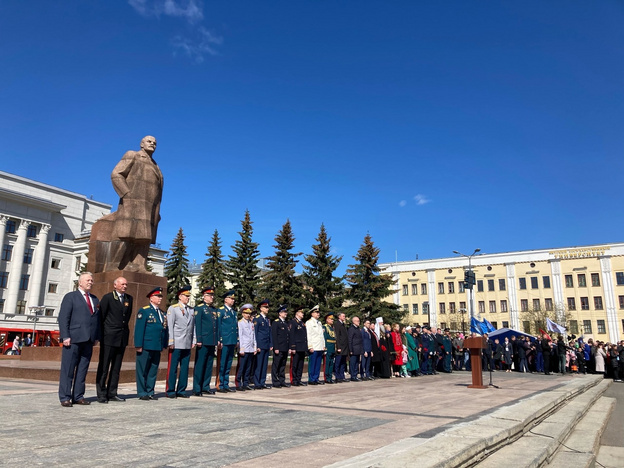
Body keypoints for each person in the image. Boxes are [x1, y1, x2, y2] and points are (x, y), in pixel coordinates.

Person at [106, 135, 164, 273]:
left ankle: (139, 266)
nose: (152, 144)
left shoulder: (156, 165)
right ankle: (114, 266)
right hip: (132, 203)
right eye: (149, 142)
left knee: (144, 238)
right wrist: (126, 194)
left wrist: (156, 210)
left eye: (155, 143)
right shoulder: (133, 155)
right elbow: (116, 174)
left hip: (150, 207)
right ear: (142, 144)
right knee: (126, 234)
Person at [58, 272, 100, 407]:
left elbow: (96, 320)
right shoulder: (71, 297)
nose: (91, 282)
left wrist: (96, 337)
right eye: (88, 280)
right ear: (80, 282)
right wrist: (65, 336)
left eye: (92, 280)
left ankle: (78, 396)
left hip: (88, 340)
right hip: (73, 339)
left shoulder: (94, 299)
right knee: (68, 369)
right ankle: (65, 396)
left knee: (82, 369)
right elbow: (63, 317)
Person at [96, 276, 133, 403]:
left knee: (116, 368)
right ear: (115, 285)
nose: (125, 286)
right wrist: (100, 335)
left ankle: (112, 392)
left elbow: (126, 317)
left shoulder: (129, 298)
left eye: (126, 284)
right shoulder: (108, 298)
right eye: (122, 284)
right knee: (104, 366)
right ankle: (101, 393)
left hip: (121, 338)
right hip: (109, 337)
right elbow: (101, 317)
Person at [135, 287, 168, 400]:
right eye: (157, 296)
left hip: (157, 345)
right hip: (146, 345)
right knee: (142, 369)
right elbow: (139, 329)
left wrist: (164, 343)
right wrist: (138, 345)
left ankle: (150, 390)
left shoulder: (162, 312)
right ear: (151, 298)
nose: (160, 298)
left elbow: (164, 329)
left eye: (160, 296)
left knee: (153, 369)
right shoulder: (144, 311)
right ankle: (142, 392)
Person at [166, 286, 195, 398]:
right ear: (180, 296)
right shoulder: (173, 308)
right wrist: (171, 341)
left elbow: (193, 326)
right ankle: (171, 390)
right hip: (176, 342)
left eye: (188, 296)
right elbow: (170, 326)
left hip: (187, 342)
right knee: (173, 367)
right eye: (186, 296)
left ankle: (181, 390)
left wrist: (194, 340)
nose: (187, 298)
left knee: (185, 368)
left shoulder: (191, 310)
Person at [192, 286, 219, 396]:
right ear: (204, 297)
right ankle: (197, 388)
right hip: (203, 341)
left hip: (211, 341)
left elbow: (215, 326)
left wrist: (217, 340)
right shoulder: (199, 308)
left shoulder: (213, 310)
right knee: (200, 365)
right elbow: (197, 325)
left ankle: (205, 386)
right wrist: (198, 339)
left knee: (208, 365)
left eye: (212, 295)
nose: (212, 297)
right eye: (210, 295)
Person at [217, 290, 238, 392]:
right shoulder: (220, 311)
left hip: (232, 340)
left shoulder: (234, 312)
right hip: (225, 340)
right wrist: (219, 339)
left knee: (229, 363)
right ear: (226, 299)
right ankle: (220, 384)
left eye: (233, 299)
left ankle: (226, 384)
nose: (233, 300)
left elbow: (235, 327)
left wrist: (236, 339)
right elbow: (219, 326)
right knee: (223, 363)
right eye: (231, 298)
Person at [236, 304, 257, 390]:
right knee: (241, 367)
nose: (248, 315)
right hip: (244, 348)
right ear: (242, 314)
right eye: (246, 313)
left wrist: (255, 347)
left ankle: (246, 383)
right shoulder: (240, 323)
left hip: (250, 348)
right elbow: (240, 336)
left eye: (249, 313)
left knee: (248, 367)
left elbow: (253, 336)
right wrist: (241, 348)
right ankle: (238, 383)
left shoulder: (251, 323)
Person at [253, 299, 272, 389]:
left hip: (266, 345)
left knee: (264, 365)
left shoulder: (267, 320)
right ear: (261, 308)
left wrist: (271, 344)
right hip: (260, 345)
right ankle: (257, 382)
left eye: (268, 307)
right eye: (265, 307)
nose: (267, 309)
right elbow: (255, 333)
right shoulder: (257, 319)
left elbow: (269, 333)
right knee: (259, 365)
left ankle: (262, 381)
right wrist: (256, 345)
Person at [271, 305, 291, 388]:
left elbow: (288, 336)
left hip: (285, 347)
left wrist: (289, 347)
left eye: (286, 312)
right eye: (284, 312)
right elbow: (274, 336)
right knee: (276, 365)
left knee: (283, 365)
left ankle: (282, 380)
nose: (285, 314)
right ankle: (275, 381)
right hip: (279, 347)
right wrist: (276, 347)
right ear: (280, 313)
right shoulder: (276, 322)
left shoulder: (286, 323)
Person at [306, 305, 325, 385]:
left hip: (319, 346)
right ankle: (311, 379)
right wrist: (310, 346)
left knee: (318, 364)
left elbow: (321, 335)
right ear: (312, 313)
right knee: (312, 364)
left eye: (318, 312)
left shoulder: (319, 323)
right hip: (313, 346)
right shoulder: (309, 322)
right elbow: (308, 335)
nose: (318, 314)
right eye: (316, 312)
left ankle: (316, 378)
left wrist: (323, 345)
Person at [289, 305, 308, 386]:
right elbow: (292, 335)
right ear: (297, 313)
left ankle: (298, 379)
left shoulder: (302, 323)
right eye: (301, 312)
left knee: (300, 364)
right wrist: (292, 346)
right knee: (295, 364)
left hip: (302, 347)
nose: (303, 314)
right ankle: (293, 380)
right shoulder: (293, 322)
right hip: (296, 347)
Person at [334, 312, 349, 382]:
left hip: (345, 347)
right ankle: (337, 376)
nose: (344, 317)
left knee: (343, 363)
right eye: (343, 316)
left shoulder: (343, 324)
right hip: (340, 347)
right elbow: (337, 336)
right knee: (338, 362)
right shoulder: (337, 324)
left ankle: (342, 376)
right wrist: (338, 347)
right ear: (339, 317)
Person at [348, 316, 364, 381]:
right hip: (354, 349)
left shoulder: (358, 329)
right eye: (357, 321)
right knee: (353, 363)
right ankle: (352, 376)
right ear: (354, 321)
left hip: (358, 349)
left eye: (359, 321)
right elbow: (350, 340)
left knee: (357, 363)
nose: (359, 322)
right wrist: (350, 349)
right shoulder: (351, 329)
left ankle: (355, 375)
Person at [323, 312, 336, 383]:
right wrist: (325, 347)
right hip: (328, 346)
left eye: (332, 319)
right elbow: (324, 337)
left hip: (332, 347)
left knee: (331, 363)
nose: (332, 320)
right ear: (327, 320)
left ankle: (330, 377)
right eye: (331, 319)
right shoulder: (325, 327)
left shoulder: (332, 328)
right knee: (327, 363)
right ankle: (327, 377)